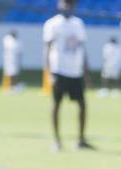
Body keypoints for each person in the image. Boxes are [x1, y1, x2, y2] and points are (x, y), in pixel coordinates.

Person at [43, 0, 93, 151]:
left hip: (75, 71)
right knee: (57, 104)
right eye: (65, 3)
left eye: (70, 4)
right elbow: (47, 49)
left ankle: (81, 139)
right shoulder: (52, 24)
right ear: (59, 4)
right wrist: (49, 72)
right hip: (59, 70)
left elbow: (82, 49)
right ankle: (56, 140)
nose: (67, 7)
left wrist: (86, 73)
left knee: (82, 105)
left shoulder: (78, 24)